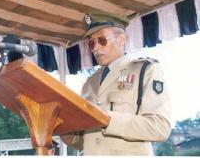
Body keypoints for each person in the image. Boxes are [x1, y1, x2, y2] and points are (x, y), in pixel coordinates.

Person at [61, 11, 172, 155]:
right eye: (91, 43)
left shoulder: (145, 70)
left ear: (121, 39)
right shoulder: (89, 83)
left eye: (101, 40)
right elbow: (87, 141)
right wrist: (63, 128)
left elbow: (160, 127)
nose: (95, 47)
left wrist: (108, 120)